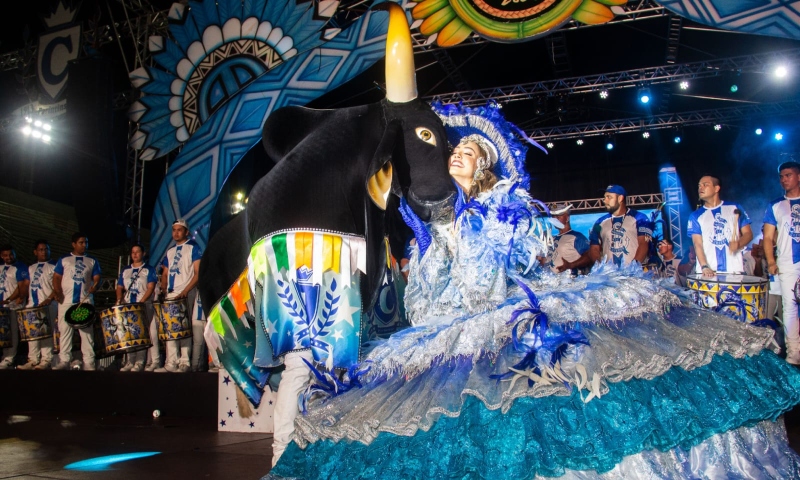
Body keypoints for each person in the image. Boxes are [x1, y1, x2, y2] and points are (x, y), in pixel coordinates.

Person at [265, 103, 800, 479]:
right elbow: (426, 306)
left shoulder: (507, 213)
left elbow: (486, 285)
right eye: (453, 152)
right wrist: (441, 239)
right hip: (449, 340)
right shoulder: (433, 232)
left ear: (486, 165)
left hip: (506, 323)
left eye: (468, 153)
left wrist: (469, 231)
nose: (457, 157)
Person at [764, 161, 800, 364]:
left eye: (789, 175)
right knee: (790, 306)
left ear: (799, 177)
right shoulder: (775, 205)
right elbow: (768, 238)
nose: (784, 179)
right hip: (787, 261)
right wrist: (771, 261)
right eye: (782, 176)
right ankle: (794, 351)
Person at [156, 219, 201, 373]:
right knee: (170, 328)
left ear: (186, 232)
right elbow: (165, 273)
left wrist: (186, 290)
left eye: (179, 230)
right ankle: (170, 362)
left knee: (184, 327)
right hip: (171, 293)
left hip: (186, 291)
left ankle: (184, 362)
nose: (176, 233)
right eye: (174, 230)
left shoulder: (193, 247)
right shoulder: (170, 251)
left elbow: (197, 273)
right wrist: (163, 286)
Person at [52, 233, 101, 371]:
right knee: (65, 330)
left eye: (86, 242)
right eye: (81, 242)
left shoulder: (92, 260)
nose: (84, 245)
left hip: (84, 301)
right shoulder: (64, 259)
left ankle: (89, 362)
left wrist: (95, 286)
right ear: (73, 244)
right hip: (66, 301)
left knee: (86, 332)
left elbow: (97, 277)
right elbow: (56, 278)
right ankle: (64, 360)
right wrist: (58, 292)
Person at [688, 175, 753, 277]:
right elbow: (697, 244)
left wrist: (739, 243)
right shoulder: (695, 216)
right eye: (699, 186)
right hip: (707, 273)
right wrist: (704, 266)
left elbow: (748, 234)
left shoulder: (734, 208)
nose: (701, 188)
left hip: (733, 271)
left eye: (705, 185)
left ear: (716, 188)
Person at [115, 243, 158, 372]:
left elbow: (150, 287)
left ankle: (140, 361)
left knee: (141, 333)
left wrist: (142, 301)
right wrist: (119, 299)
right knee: (128, 333)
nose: (134, 254)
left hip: (143, 305)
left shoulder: (149, 269)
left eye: (137, 252)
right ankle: (130, 360)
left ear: (143, 254)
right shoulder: (125, 270)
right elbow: (119, 287)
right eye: (133, 252)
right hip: (128, 305)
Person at [588, 185, 653, 267]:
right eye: (604, 197)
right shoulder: (599, 223)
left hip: (633, 274)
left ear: (620, 198)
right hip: (610, 275)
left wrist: (633, 268)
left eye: (609, 197)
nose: (605, 200)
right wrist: (599, 267)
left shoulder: (639, 218)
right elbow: (594, 247)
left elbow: (643, 244)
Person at [17, 240, 57, 370]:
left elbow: (58, 285)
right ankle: (33, 359)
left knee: (46, 332)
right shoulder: (31, 268)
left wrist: (49, 298)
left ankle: (46, 359)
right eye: (41, 249)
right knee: (32, 333)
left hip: (48, 304)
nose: (44, 252)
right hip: (32, 304)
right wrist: (21, 297)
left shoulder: (55, 266)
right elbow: (26, 285)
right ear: (35, 252)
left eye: (46, 249)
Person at [0, 244, 30, 369]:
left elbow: (21, 286)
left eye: (11, 254)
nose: (9, 257)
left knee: (12, 332)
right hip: (1, 306)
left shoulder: (21, 267)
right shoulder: (0, 267)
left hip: (12, 306)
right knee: (3, 333)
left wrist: (9, 299)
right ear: (1, 256)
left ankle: (9, 358)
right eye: (6, 255)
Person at [544, 203, 591, 275]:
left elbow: (589, 257)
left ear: (567, 218)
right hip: (550, 282)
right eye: (554, 217)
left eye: (559, 216)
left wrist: (571, 265)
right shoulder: (552, 239)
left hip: (570, 282)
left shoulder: (577, 237)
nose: (555, 219)